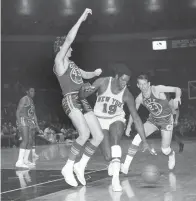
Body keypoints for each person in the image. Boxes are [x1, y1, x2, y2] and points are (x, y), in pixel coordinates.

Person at [79, 66, 153, 192]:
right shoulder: (102, 82)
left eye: (127, 81)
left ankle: (116, 179)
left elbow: (136, 117)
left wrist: (144, 141)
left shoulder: (127, 94)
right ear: (116, 77)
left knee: (117, 130)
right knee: (108, 157)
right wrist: (82, 90)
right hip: (100, 121)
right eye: (122, 80)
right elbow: (82, 95)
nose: (124, 83)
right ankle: (112, 163)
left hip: (116, 119)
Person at [54, 8, 104, 187]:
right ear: (62, 48)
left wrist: (95, 73)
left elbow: (86, 75)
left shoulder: (73, 64)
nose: (72, 49)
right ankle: (67, 167)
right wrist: (81, 19)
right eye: (68, 47)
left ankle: (80, 166)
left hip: (81, 99)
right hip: (70, 99)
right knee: (84, 134)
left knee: (97, 136)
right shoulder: (59, 62)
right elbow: (69, 39)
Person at [122, 74, 181, 174]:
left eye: (145, 84)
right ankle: (125, 166)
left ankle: (171, 154)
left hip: (166, 120)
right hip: (153, 120)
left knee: (165, 150)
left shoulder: (157, 89)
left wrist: (177, 97)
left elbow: (177, 89)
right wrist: (128, 127)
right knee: (137, 138)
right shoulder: (139, 98)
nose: (143, 87)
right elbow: (133, 113)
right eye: (141, 84)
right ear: (138, 86)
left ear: (149, 84)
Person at [15, 87, 42, 168]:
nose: (33, 92)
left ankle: (25, 160)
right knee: (25, 140)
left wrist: (37, 126)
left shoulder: (32, 101)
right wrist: (19, 124)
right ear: (27, 91)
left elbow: (34, 114)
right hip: (23, 119)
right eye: (31, 91)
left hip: (30, 121)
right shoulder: (24, 99)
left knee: (30, 141)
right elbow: (18, 112)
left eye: (34, 91)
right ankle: (19, 162)